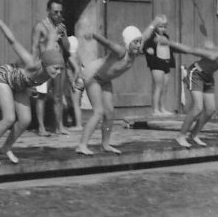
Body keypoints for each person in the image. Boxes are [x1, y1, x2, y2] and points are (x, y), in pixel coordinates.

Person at [0, 6, 65, 165]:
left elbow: (51, 41)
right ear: (47, 65)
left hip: (20, 86)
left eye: (61, 69)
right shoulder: (32, 63)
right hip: (4, 77)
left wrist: (55, 30)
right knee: (9, 118)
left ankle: (6, 147)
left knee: (26, 120)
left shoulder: (50, 61)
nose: (59, 72)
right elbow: (12, 40)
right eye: (56, 69)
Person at [74, 18, 159, 155]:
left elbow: (145, 35)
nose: (138, 45)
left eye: (139, 42)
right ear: (128, 43)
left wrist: (155, 22)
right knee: (98, 112)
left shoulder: (136, 49)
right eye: (135, 42)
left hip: (105, 80)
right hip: (92, 76)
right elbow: (108, 43)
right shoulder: (121, 51)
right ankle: (82, 145)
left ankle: (105, 144)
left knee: (110, 113)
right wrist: (94, 35)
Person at [175, 33, 218, 148]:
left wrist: (211, 45)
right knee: (198, 108)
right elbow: (190, 49)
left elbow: (217, 49)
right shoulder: (214, 55)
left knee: (210, 110)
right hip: (196, 73)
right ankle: (181, 135)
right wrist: (168, 43)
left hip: (208, 77)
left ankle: (193, 135)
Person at [32, 0, 70, 135]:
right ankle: (41, 127)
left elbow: (67, 47)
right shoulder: (40, 26)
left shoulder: (61, 26)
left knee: (58, 96)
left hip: (59, 63)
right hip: (44, 64)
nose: (58, 15)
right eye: (55, 12)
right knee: (41, 95)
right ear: (48, 11)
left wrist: (63, 35)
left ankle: (59, 126)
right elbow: (34, 47)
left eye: (60, 12)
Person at [143, 14, 176, 116]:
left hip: (166, 62)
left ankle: (163, 107)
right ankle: (156, 109)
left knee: (165, 87)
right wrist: (148, 50)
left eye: (164, 27)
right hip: (157, 63)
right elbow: (144, 45)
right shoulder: (152, 37)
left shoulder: (166, 36)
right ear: (156, 26)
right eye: (160, 26)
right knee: (158, 86)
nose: (163, 29)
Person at [64, 35, 84, 130]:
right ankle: (77, 123)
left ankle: (78, 125)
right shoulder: (78, 55)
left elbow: (76, 69)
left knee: (75, 105)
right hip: (81, 81)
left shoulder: (70, 57)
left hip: (76, 82)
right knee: (77, 104)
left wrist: (73, 81)